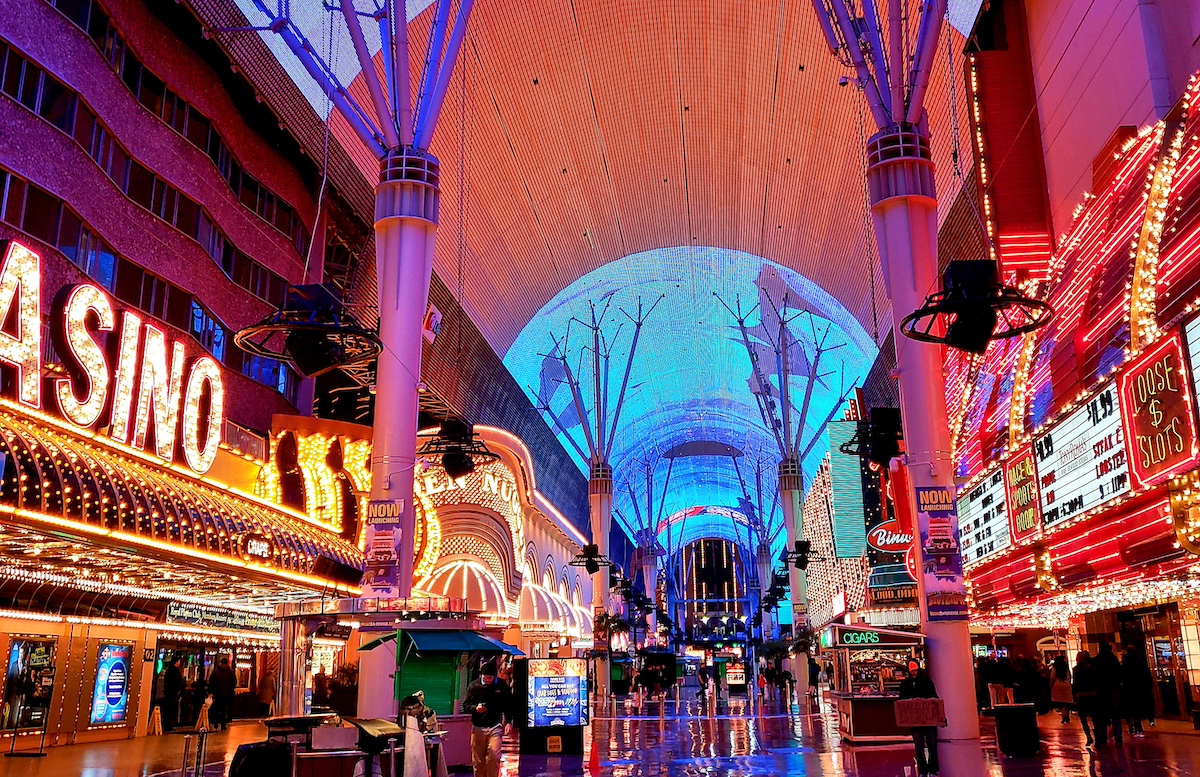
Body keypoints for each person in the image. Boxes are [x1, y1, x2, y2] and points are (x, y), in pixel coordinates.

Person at [461, 660, 512, 777]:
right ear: (482, 675)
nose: (488, 680)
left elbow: (508, 705)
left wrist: (508, 722)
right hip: (478, 727)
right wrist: (475, 708)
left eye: (490, 677)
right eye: (485, 677)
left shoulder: (501, 685)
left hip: (495, 726)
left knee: (494, 755)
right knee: (478, 761)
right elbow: (466, 706)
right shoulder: (474, 686)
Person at [899, 660, 940, 777]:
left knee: (932, 745)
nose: (914, 673)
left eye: (915, 671)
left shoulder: (927, 682)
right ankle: (923, 770)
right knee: (919, 746)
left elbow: (934, 698)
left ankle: (932, 769)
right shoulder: (905, 684)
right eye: (912, 671)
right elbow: (902, 700)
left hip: (929, 720)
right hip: (916, 721)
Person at [1120, 645, 1154, 737]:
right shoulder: (1140, 663)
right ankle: (1149, 719)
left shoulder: (1125, 664)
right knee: (1141, 706)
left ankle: (1136, 727)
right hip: (1141, 688)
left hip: (1129, 689)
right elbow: (1147, 676)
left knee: (1133, 710)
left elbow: (1122, 677)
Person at [1094, 641, 1122, 745]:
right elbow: (1119, 673)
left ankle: (1102, 738)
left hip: (1101, 691)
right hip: (1114, 689)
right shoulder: (1114, 660)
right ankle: (1118, 737)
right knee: (1115, 715)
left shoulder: (1097, 660)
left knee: (1101, 715)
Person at [1072, 651, 1101, 748]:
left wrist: (1074, 695)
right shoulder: (1092, 668)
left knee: (1083, 719)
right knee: (1095, 718)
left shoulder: (1076, 669)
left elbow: (1075, 684)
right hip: (1092, 695)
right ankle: (1097, 738)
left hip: (1081, 696)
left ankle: (1089, 737)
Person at [207, 657, 237, 731]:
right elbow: (234, 682)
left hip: (217, 694)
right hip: (227, 694)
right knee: (224, 710)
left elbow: (211, 683)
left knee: (216, 709)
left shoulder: (216, 672)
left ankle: (216, 723)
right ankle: (223, 725)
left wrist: (211, 692)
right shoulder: (231, 672)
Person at [162, 657, 185, 732]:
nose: (179, 663)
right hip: (172, 693)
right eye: (178, 661)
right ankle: (168, 725)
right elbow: (176, 682)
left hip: (169, 692)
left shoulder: (170, 670)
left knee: (169, 709)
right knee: (170, 709)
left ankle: (168, 724)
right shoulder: (174, 671)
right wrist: (178, 689)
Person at [1049, 655, 1073, 724]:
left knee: (1061, 703)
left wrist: (1051, 685)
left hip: (1058, 685)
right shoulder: (1066, 669)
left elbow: (1052, 678)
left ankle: (1064, 716)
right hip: (1066, 686)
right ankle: (1067, 715)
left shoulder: (1055, 668)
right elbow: (1069, 676)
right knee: (1067, 702)